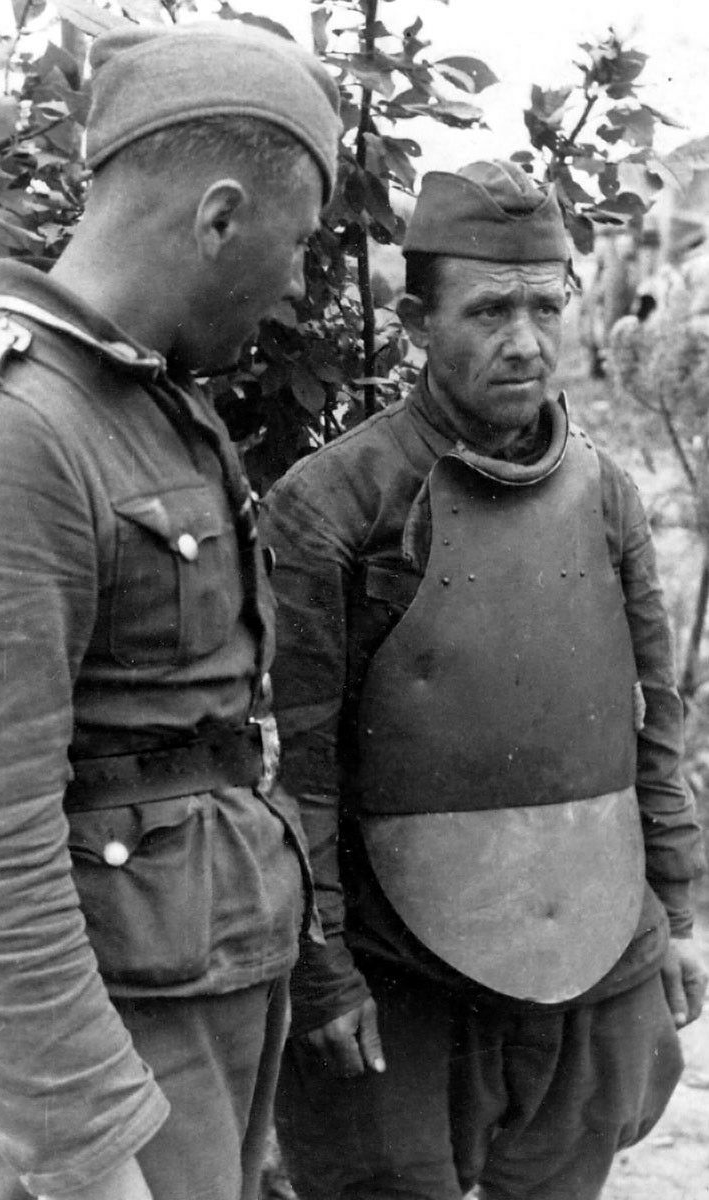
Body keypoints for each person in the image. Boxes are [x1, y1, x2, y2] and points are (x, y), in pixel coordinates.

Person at [0, 21, 339, 1200]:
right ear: (219, 217)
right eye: (297, 244)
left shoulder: (145, 404)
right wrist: (90, 1157)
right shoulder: (8, 431)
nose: (295, 282)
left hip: (178, 1013)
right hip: (93, 1070)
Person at [261, 161, 708, 1200]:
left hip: (594, 952)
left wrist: (675, 913)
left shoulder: (606, 491)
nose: (525, 341)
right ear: (419, 323)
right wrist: (324, 975)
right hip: (404, 977)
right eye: (489, 311)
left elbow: (652, 716)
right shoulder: (331, 506)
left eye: (545, 307)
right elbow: (299, 770)